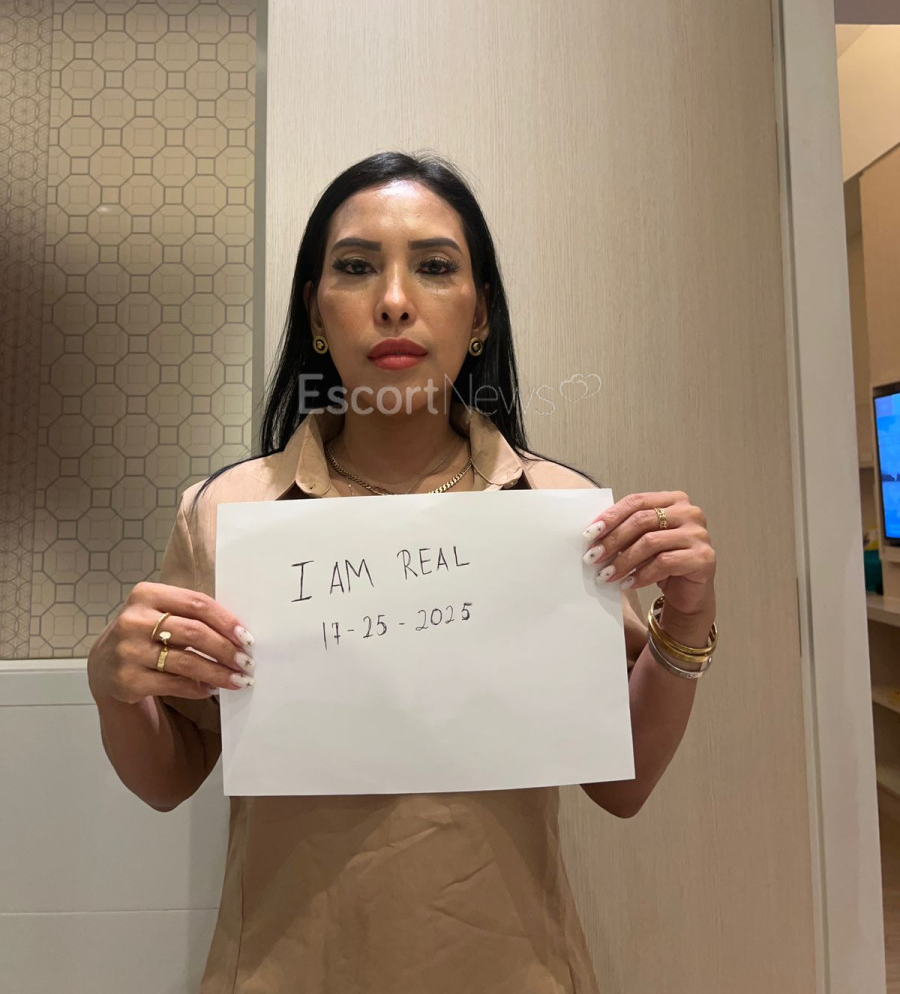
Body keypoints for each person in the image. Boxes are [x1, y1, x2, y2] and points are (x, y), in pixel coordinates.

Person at [87, 151, 718, 994]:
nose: (393, 299)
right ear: (315, 312)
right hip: (284, 972)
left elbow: (622, 786)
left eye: (434, 266)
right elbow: (170, 779)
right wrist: (112, 686)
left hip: (516, 970)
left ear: (480, 313)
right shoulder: (228, 514)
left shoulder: (556, 512)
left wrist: (686, 620)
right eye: (355, 268)